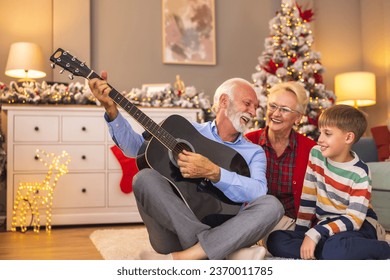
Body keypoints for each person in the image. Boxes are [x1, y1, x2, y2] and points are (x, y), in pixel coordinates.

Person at [89, 73, 284, 260]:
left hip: (226, 227)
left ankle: (191, 255)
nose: (253, 112)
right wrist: (111, 111)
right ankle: (222, 250)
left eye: (256, 107)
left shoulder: (254, 152)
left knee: (272, 206)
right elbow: (136, 148)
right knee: (143, 178)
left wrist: (215, 172)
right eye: (247, 104)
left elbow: (258, 191)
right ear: (224, 101)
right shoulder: (184, 130)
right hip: (174, 233)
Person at [267, 104, 390, 260]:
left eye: (327, 133)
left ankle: (383, 248)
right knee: (275, 239)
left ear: (348, 137)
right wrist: (302, 233)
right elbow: (308, 196)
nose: (320, 139)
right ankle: (326, 252)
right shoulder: (316, 154)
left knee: (335, 247)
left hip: (360, 225)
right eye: (320, 132)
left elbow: (354, 219)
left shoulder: (360, 173)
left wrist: (316, 233)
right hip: (327, 227)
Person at [245, 81, 316, 235]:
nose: (276, 114)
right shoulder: (248, 142)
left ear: (298, 118)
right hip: (253, 220)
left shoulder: (311, 150)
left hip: (291, 224)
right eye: (273, 106)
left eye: (284, 109)